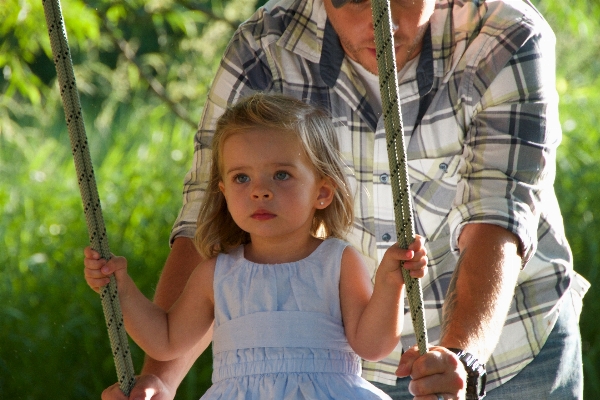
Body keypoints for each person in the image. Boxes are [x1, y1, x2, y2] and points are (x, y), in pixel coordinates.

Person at [92, 0, 590, 399]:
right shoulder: (266, 48)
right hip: (345, 363)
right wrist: (160, 380)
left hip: (507, 342)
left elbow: (496, 216)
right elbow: (210, 215)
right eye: (351, 1)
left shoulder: (504, 36)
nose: (381, 18)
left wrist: (462, 356)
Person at [84, 93, 444, 399]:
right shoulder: (217, 274)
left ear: (322, 191)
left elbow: (373, 346)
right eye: (242, 177)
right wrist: (120, 289)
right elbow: (165, 341)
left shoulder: (336, 261)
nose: (259, 190)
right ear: (223, 192)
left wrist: (390, 284)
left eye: (281, 175)